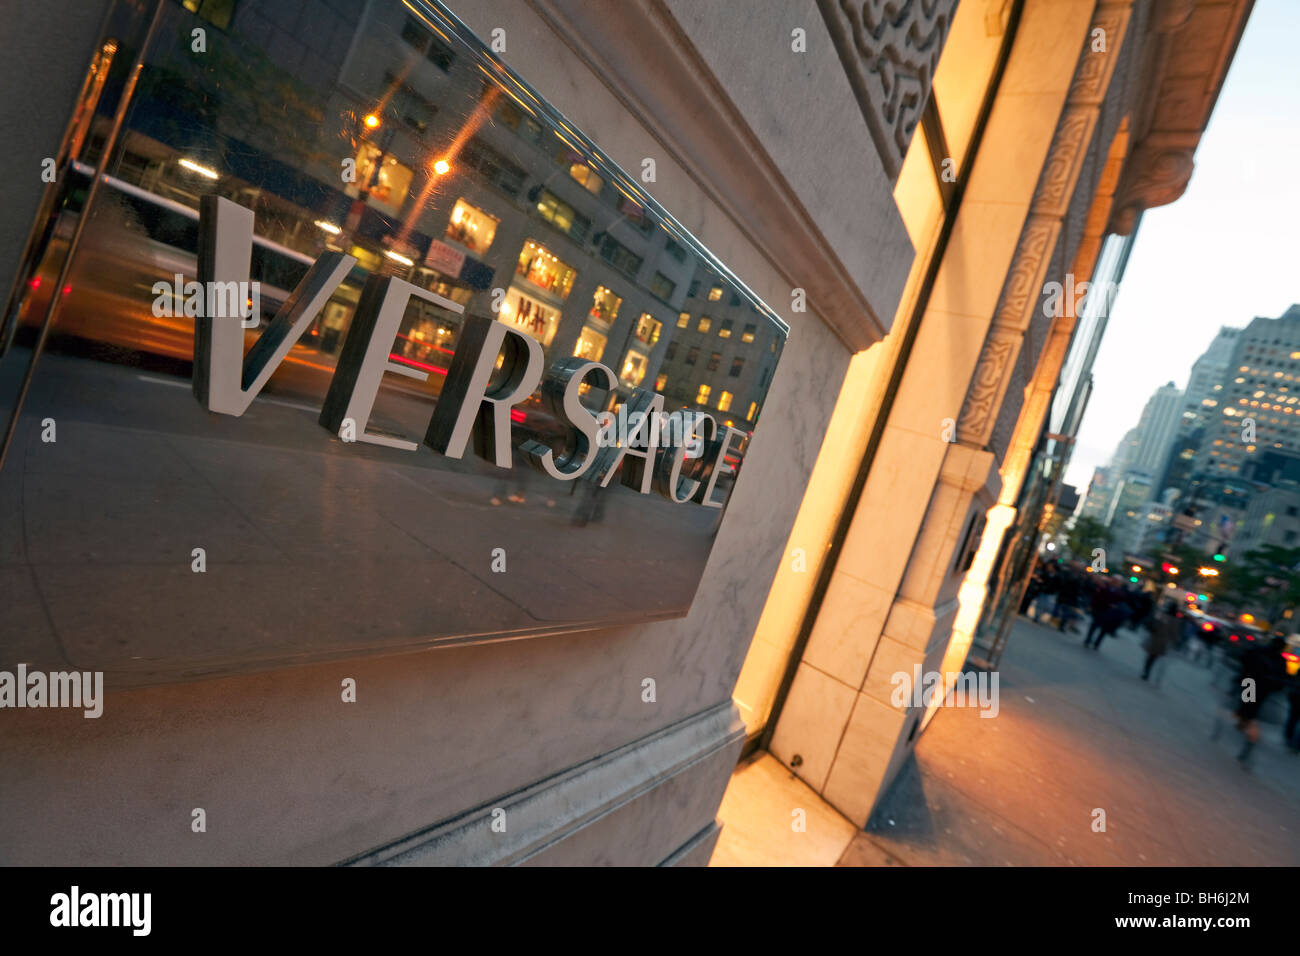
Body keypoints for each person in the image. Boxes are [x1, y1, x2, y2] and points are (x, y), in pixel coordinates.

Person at [1232, 636, 1288, 768]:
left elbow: (1244, 659)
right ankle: (1245, 723)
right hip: (1263, 689)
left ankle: (1247, 728)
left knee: (1248, 708)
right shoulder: (1279, 660)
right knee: (1251, 708)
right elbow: (1282, 679)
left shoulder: (1260, 651)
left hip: (1251, 683)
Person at [1141, 602, 1180, 682]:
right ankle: (1147, 671)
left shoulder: (1162, 615)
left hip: (1155, 638)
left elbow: (1154, 624)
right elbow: (1174, 634)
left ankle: (1146, 671)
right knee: (1154, 657)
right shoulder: (1175, 620)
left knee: (1150, 657)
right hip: (1163, 642)